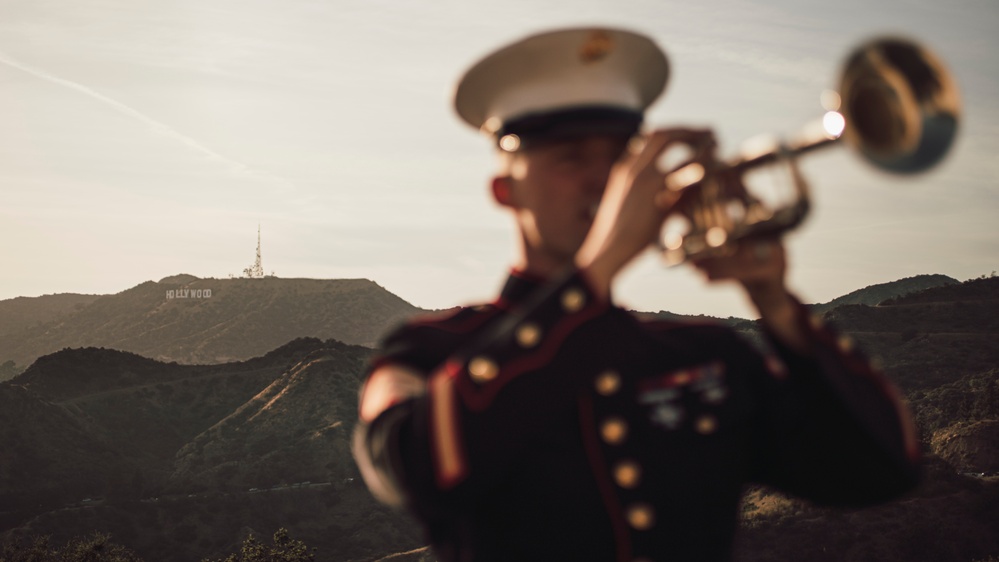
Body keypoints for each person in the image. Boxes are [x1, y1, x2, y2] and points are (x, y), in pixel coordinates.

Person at [352, 27, 920, 562]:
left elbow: (881, 470)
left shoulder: (705, 354)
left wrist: (777, 304)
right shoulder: (426, 350)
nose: (606, 180)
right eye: (571, 157)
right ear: (505, 190)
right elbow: (419, 467)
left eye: (621, 157)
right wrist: (596, 270)